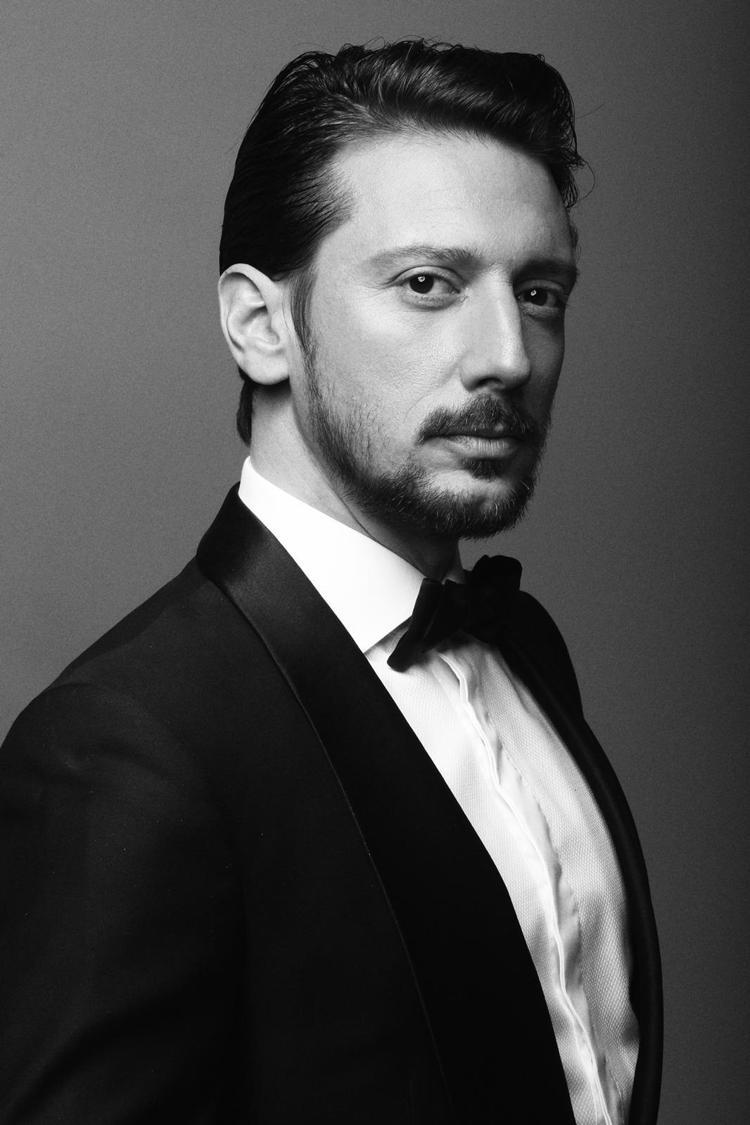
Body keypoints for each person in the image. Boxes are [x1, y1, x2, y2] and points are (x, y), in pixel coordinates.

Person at [0, 40, 662, 1125]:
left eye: (540, 292)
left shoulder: (527, 651)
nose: (508, 354)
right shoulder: (126, 749)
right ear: (261, 326)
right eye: (427, 284)